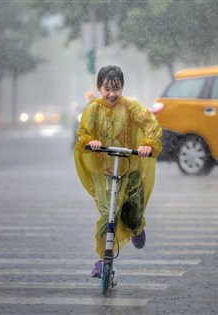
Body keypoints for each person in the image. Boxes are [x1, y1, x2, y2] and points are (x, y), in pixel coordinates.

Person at [74, 65, 162, 278]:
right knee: (108, 214)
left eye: (117, 88)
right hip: (105, 172)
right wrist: (90, 141)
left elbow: (151, 124)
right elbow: (84, 131)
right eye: (107, 89)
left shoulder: (130, 107)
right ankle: (103, 260)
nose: (112, 94)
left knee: (131, 213)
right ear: (99, 88)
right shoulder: (94, 109)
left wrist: (148, 144)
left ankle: (136, 227)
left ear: (122, 88)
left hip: (129, 170)